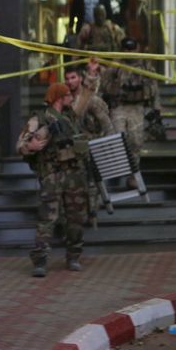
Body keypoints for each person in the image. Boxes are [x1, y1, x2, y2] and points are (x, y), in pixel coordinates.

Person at [17, 83, 89, 277]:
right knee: (47, 218)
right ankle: (40, 260)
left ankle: (73, 256)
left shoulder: (71, 117)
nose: (71, 97)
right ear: (59, 97)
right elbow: (20, 145)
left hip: (74, 175)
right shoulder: (39, 119)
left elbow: (87, 96)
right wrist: (31, 146)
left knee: (76, 217)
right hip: (52, 175)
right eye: (67, 94)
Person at [100, 37, 161, 187]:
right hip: (119, 107)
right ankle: (116, 171)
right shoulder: (115, 66)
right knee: (117, 139)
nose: (129, 52)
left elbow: (154, 87)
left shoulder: (145, 65)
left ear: (137, 48)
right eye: (126, 49)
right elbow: (103, 87)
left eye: (131, 49)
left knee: (136, 142)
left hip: (137, 108)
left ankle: (133, 175)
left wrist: (157, 109)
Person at [64, 61, 114, 226]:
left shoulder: (92, 100)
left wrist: (106, 148)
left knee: (93, 186)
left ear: (80, 78)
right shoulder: (65, 102)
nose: (69, 81)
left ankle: (92, 217)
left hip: (92, 146)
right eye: (67, 79)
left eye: (73, 77)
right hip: (73, 150)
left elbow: (107, 126)